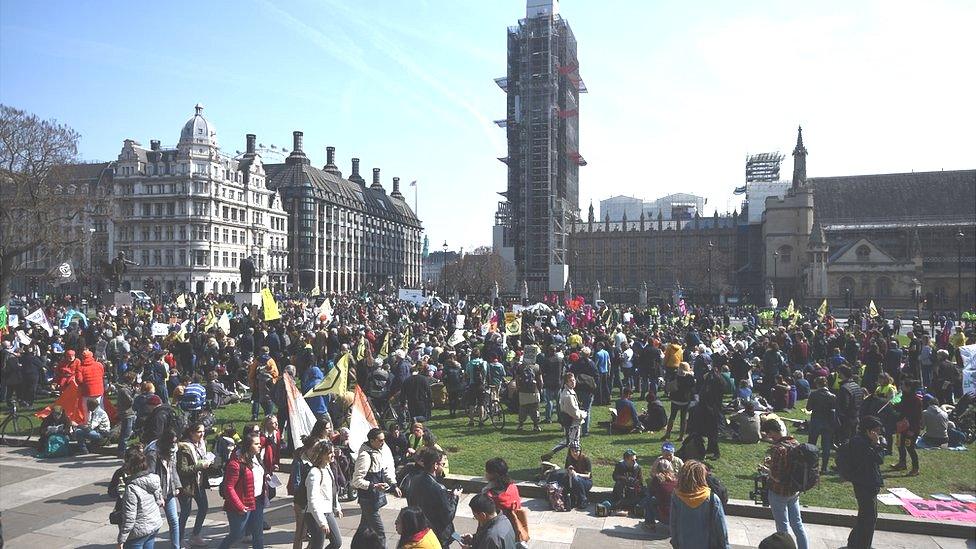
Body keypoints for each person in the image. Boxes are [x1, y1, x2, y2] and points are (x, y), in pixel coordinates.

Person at [761, 419, 809, 549]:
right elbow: (789, 464)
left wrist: (767, 470)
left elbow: (777, 477)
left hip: (779, 492)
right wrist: (773, 462)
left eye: (768, 433)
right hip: (794, 491)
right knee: (798, 525)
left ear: (772, 432)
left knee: (782, 528)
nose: (768, 436)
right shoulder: (794, 442)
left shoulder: (778, 449)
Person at [218, 432, 269, 549]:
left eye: (259, 443)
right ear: (248, 446)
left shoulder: (256, 457)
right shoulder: (235, 464)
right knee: (237, 535)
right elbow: (229, 487)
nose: (259, 446)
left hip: (257, 500)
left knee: (258, 534)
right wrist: (239, 506)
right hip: (242, 504)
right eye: (256, 444)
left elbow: (254, 475)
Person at [352, 427, 400, 546]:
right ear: (372, 441)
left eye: (384, 440)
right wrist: (374, 486)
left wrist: (394, 485)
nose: (383, 443)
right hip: (368, 499)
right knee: (380, 534)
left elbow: (384, 471)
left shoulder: (378, 451)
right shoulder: (365, 456)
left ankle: (355, 546)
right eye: (380, 440)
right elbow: (356, 481)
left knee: (363, 528)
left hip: (374, 498)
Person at [405, 447, 460, 547]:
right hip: (437, 534)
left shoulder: (414, 480)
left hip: (421, 531)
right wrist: (455, 498)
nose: (443, 467)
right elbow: (448, 516)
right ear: (435, 465)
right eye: (442, 464)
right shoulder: (438, 488)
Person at [669, 460, 730, 549]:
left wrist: (675, 542)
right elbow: (721, 527)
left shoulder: (677, 496)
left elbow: (673, 523)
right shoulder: (712, 498)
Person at [846, 416, 885, 549]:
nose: (879, 434)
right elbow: (879, 459)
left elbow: (879, 459)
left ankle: (854, 543)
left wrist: (875, 444)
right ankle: (863, 545)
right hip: (864, 484)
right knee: (869, 519)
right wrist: (876, 444)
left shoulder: (865, 442)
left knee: (865, 517)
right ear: (868, 431)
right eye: (876, 431)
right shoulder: (860, 443)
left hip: (869, 484)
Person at [117, 447, 164, 549]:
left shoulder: (132, 488)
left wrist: (121, 539)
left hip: (138, 531)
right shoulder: (153, 478)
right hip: (153, 524)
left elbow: (130, 517)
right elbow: (159, 500)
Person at [176, 423, 213, 547]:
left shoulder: (201, 444)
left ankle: (195, 535)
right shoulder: (184, 447)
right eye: (199, 432)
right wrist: (200, 466)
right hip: (186, 485)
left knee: (203, 507)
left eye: (203, 431)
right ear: (191, 433)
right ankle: (179, 539)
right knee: (185, 512)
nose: (202, 434)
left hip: (199, 483)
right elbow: (183, 469)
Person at [305, 439, 343, 549]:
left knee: (337, 542)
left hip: (328, 511)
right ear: (321, 454)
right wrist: (322, 522)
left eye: (333, 452)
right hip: (315, 515)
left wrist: (337, 507)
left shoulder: (328, 468)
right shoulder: (314, 473)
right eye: (330, 453)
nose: (333, 455)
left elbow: (332, 490)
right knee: (317, 545)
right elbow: (312, 501)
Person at [541, 373, 586, 462]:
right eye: (571, 381)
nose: (573, 382)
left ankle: (551, 454)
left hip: (569, 422)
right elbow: (575, 413)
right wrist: (584, 414)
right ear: (566, 382)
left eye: (574, 380)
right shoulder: (568, 396)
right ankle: (574, 462)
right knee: (574, 444)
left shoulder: (567, 392)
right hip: (573, 423)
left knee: (568, 442)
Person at [482, 457, 527, 547]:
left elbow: (485, 519)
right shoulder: (512, 487)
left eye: (487, 471)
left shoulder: (489, 496)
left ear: (492, 474)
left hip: (497, 533)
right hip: (514, 531)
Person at [805, 376, 837, 473]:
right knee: (826, 446)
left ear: (817, 384)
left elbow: (808, 408)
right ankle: (824, 467)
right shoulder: (832, 396)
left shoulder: (813, 394)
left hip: (816, 422)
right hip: (828, 423)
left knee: (811, 445)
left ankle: (811, 465)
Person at [891, 379, 922, 475]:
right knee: (899, 444)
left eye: (903, 385)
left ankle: (915, 468)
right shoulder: (903, 397)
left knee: (910, 447)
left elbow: (917, 417)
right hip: (901, 426)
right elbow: (900, 407)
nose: (901, 387)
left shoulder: (916, 400)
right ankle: (902, 463)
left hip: (911, 428)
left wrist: (912, 430)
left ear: (908, 387)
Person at [640, 459, 676, 531]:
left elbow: (650, 492)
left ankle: (649, 524)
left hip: (664, 516)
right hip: (676, 517)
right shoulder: (676, 480)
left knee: (649, 498)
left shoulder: (657, 479)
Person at [662, 362, 694, 441]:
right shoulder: (690, 377)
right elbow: (693, 388)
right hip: (685, 400)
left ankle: (668, 433)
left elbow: (669, 384)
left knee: (672, 417)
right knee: (683, 419)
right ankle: (681, 436)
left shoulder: (675, 374)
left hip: (675, 398)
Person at [515, 348, 543, 432]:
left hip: (523, 391)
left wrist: (518, 388)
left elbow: (517, 379)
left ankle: (520, 425)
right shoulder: (537, 367)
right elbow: (540, 380)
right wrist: (540, 389)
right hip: (534, 391)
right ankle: (536, 426)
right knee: (535, 409)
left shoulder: (520, 367)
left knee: (523, 408)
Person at [609, 449, 643, 513]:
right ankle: (620, 503)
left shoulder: (637, 467)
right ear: (626, 459)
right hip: (622, 487)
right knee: (619, 483)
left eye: (635, 460)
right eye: (632, 460)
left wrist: (635, 481)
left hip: (632, 488)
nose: (634, 461)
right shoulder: (620, 465)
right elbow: (615, 476)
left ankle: (627, 505)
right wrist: (623, 478)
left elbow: (640, 480)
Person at [561, 442, 593, 509]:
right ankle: (569, 500)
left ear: (580, 451)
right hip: (573, 481)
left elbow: (588, 475)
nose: (575, 453)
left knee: (576, 478)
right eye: (572, 451)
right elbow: (566, 470)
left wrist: (577, 474)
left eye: (576, 451)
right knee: (566, 479)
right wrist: (569, 471)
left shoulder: (586, 459)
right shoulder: (569, 459)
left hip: (586, 481)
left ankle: (583, 499)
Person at [117, 372, 138, 458]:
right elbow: (130, 401)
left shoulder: (127, 388)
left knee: (127, 432)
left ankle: (123, 450)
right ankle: (122, 452)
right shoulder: (124, 390)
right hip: (127, 413)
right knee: (125, 434)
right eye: (133, 379)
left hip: (130, 413)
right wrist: (135, 394)